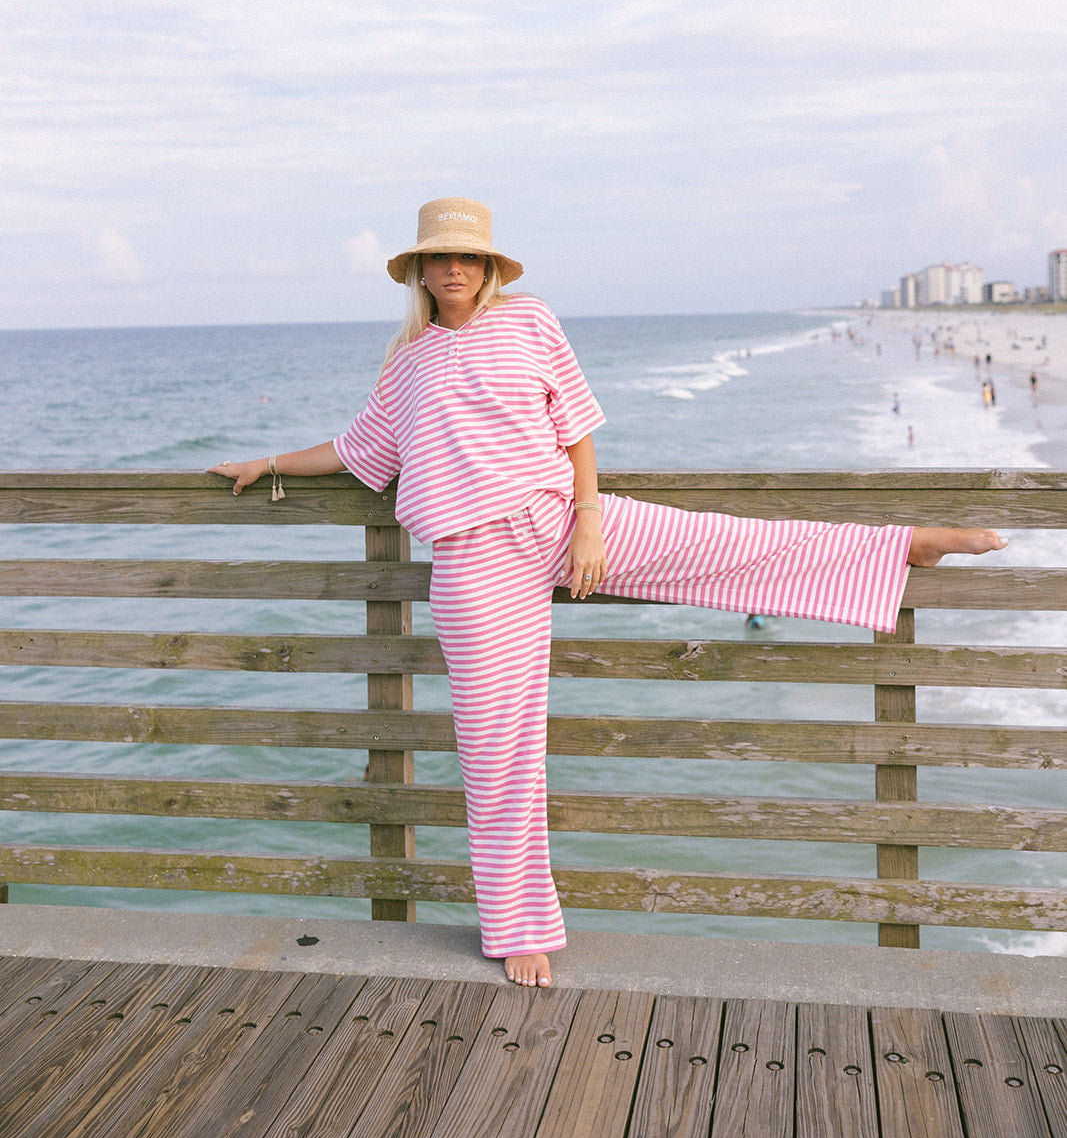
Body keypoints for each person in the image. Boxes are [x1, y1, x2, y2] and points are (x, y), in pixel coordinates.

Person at [209, 197, 1008, 991]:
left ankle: (902, 546)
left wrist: (588, 522)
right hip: (468, 562)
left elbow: (577, 429)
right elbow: (359, 453)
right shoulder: (408, 362)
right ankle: (519, 931)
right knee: (497, 752)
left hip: (557, 520)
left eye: (470, 257)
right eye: (439, 257)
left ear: (488, 267)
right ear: (417, 269)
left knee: (723, 542)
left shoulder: (530, 322)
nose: (454, 269)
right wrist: (270, 461)